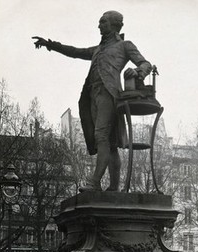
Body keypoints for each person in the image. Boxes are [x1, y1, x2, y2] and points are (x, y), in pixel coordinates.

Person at [32, 10, 152, 192]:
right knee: (109, 144)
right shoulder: (98, 49)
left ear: (114, 25)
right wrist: (51, 44)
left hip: (109, 95)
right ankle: (113, 188)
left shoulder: (125, 45)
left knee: (101, 136)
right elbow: (74, 52)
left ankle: (94, 182)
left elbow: (145, 63)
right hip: (93, 96)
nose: (99, 26)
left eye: (103, 22)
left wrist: (137, 72)